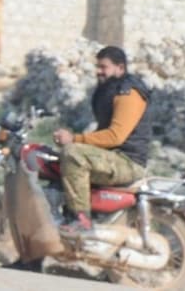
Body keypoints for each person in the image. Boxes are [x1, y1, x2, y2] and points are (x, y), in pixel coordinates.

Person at [51, 45, 152, 237]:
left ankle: (81, 220)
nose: (98, 72)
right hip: (112, 157)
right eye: (97, 66)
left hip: (127, 162)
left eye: (103, 67)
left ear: (120, 68)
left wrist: (74, 139)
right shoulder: (109, 90)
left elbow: (116, 136)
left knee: (73, 155)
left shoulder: (129, 93)